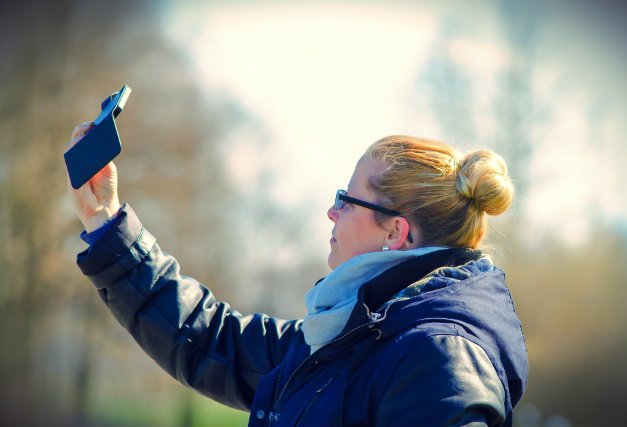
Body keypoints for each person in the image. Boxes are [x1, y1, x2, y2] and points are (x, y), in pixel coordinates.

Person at [67, 124, 528, 427]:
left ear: (397, 232)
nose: (332, 212)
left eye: (348, 200)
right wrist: (107, 224)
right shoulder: (349, 335)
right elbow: (209, 339)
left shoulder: (439, 359)